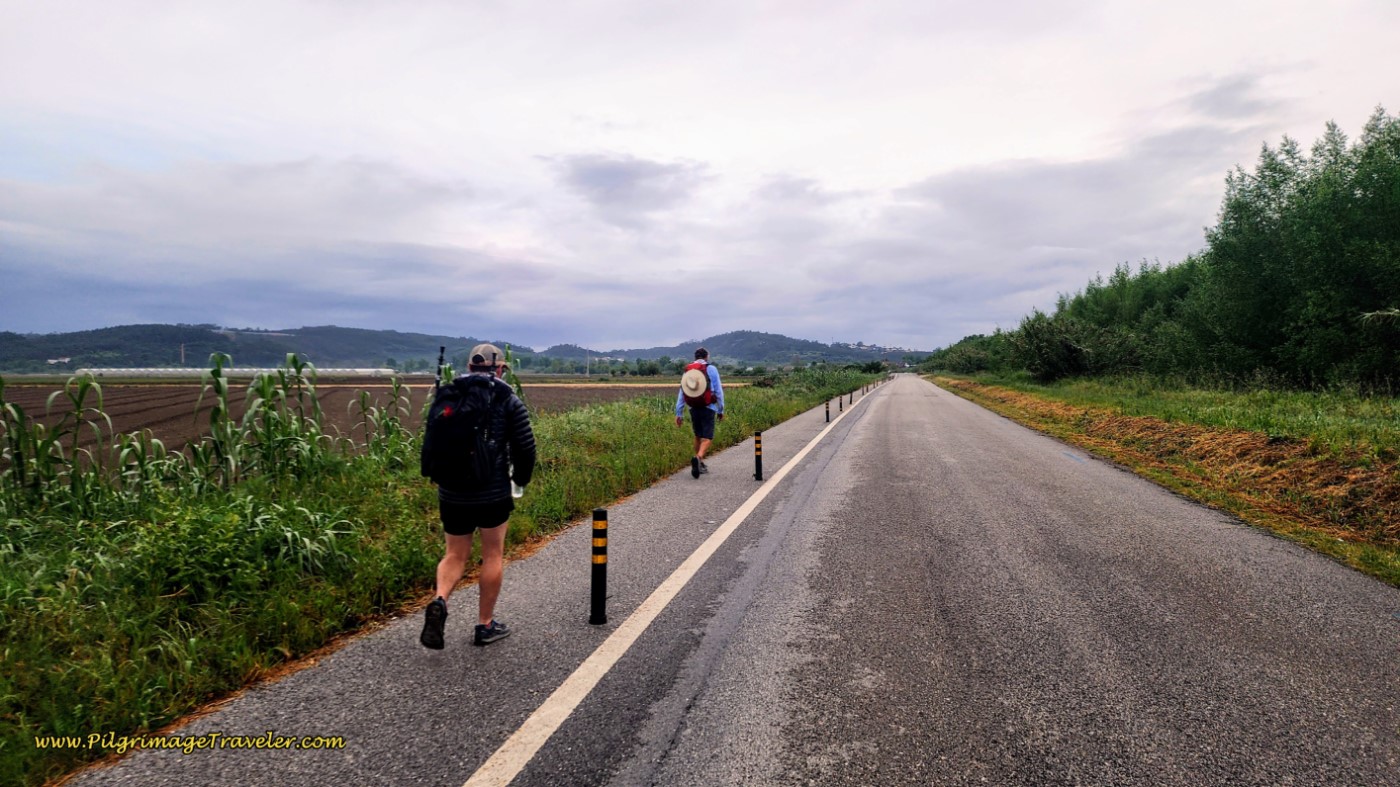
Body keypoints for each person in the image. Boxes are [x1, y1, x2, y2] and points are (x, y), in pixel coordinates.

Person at [421, 343, 536, 649]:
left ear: (471, 367)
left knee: (455, 555)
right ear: (498, 369)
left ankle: (441, 601)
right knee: (493, 553)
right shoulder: (507, 399)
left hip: (451, 493)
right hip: (492, 493)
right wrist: (520, 480)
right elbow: (525, 447)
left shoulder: (450, 394)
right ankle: (484, 625)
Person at [675, 347, 724, 478]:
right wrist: (721, 409)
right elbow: (718, 391)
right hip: (709, 407)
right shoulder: (711, 369)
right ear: (706, 357)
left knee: (697, 435)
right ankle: (698, 457)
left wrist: (678, 413)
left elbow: (682, 392)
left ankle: (700, 463)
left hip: (693, 407)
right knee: (707, 437)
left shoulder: (688, 370)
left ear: (695, 357)